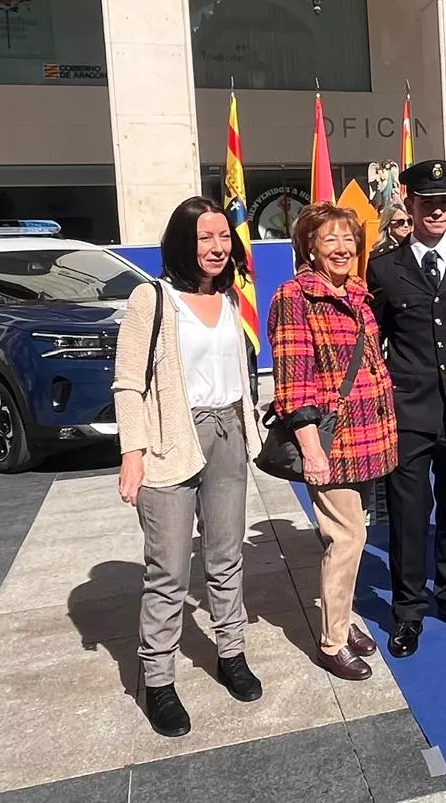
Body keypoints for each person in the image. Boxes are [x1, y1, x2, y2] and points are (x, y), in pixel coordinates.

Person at [112, 196, 265, 738]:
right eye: (205, 238)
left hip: (227, 436)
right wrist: (132, 452)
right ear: (183, 242)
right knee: (170, 571)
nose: (217, 248)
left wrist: (251, 430)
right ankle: (157, 680)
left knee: (226, 557)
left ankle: (232, 652)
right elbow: (128, 384)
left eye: (224, 237)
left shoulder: (228, 300)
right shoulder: (151, 300)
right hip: (169, 443)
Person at [365, 160, 446, 658]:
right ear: (410, 204)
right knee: (408, 514)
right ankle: (407, 610)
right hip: (408, 414)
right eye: (428, 203)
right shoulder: (384, 267)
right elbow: (371, 337)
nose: (438, 211)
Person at [266, 202, 399, 682]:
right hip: (331, 440)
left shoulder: (357, 293)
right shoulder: (294, 297)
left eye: (349, 239)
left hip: (367, 434)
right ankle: (332, 641)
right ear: (309, 247)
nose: (342, 249)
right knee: (348, 537)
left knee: (351, 534)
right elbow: (292, 382)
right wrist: (311, 450)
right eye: (330, 240)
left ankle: (342, 617)